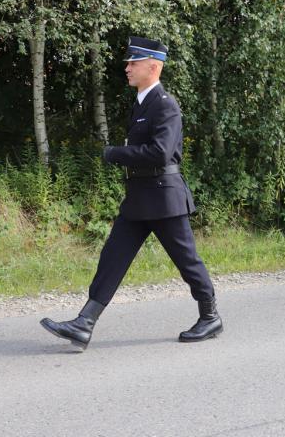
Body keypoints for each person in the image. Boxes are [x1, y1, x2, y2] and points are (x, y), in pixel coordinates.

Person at [40, 37, 222, 350]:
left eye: (133, 63)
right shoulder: (141, 103)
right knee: (112, 257)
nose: (127, 68)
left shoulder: (165, 105)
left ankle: (210, 316)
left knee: (187, 261)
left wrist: (116, 153)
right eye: (128, 63)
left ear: (153, 66)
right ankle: (84, 323)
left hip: (164, 199)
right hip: (139, 197)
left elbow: (160, 152)